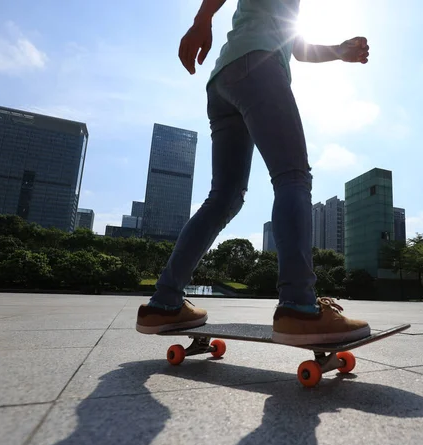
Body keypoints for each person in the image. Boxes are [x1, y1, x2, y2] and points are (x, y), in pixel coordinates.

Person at [136, 0, 371, 345]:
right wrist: (203, 18)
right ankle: (298, 306)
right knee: (292, 176)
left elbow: (296, 47)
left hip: (224, 82)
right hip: (257, 67)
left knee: (224, 198)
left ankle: (165, 301)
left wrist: (338, 51)